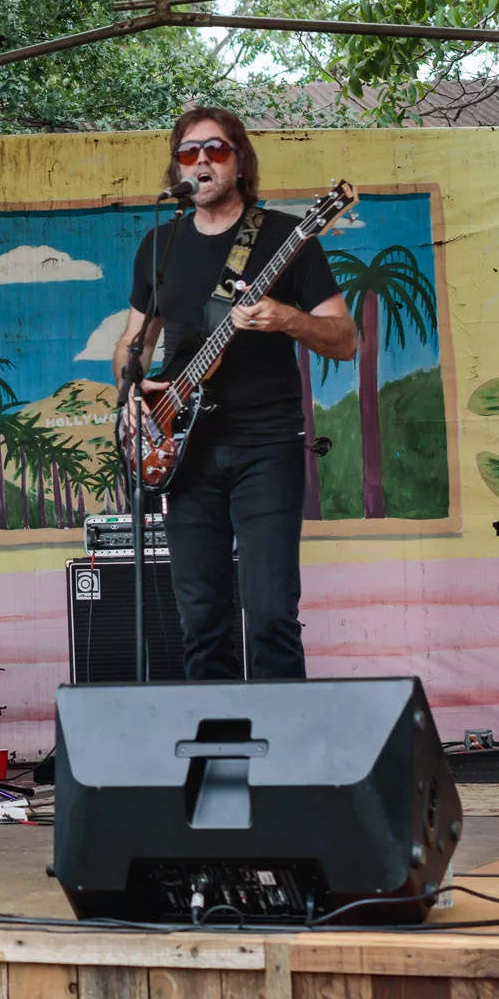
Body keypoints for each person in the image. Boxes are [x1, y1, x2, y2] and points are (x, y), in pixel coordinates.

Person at [111, 108, 357, 680]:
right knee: (202, 618)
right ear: (177, 165)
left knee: (270, 613)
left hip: (264, 444)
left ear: (240, 161)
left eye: (216, 150)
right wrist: (132, 393)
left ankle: (284, 757)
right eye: (189, 152)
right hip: (182, 449)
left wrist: (286, 319)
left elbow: (344, 339)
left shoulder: (283, 237)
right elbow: (134, 342)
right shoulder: (159, 244)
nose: (201, 161)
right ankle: (219, 752)